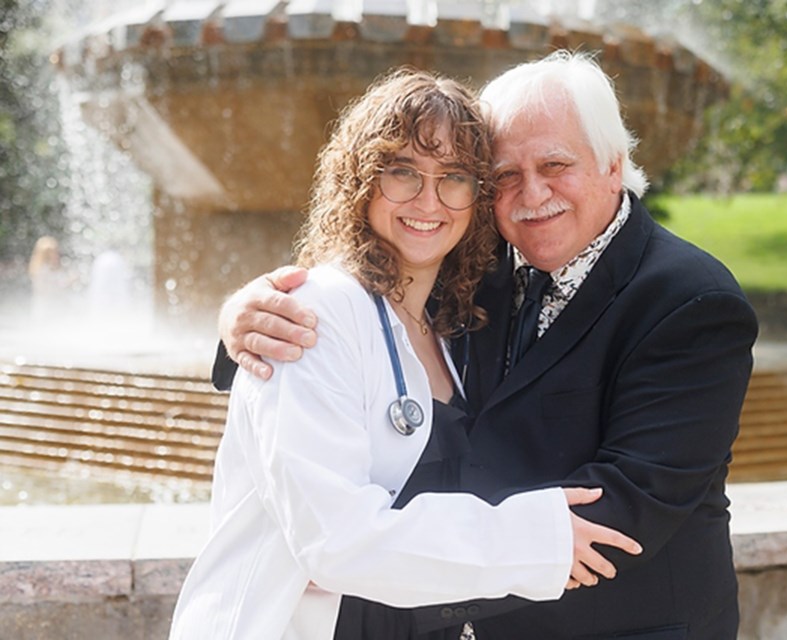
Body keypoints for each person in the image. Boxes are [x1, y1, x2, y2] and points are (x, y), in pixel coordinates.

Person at [215, 51, 759, 640]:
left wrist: (388, 598)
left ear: (612, 165)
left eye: (555, 164)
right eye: (503, 175)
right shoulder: (477, 268)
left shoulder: (690, 301)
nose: (532, 194)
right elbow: (351, 298)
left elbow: (627, 511)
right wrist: (241, 321)